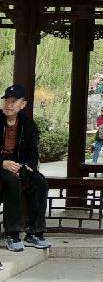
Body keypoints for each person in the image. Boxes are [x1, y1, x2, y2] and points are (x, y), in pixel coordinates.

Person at [0, 85, 50, 251]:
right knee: (11, 181)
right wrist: (3, 163)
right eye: (6, 101)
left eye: (13, 101)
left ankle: (34, 232)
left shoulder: (28, 124)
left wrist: (29, 166)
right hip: (1, 165)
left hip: (18, 165)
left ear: (23, 104)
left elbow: (32, 152)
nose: (9, 105)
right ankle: (12, 234)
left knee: (40, 183)